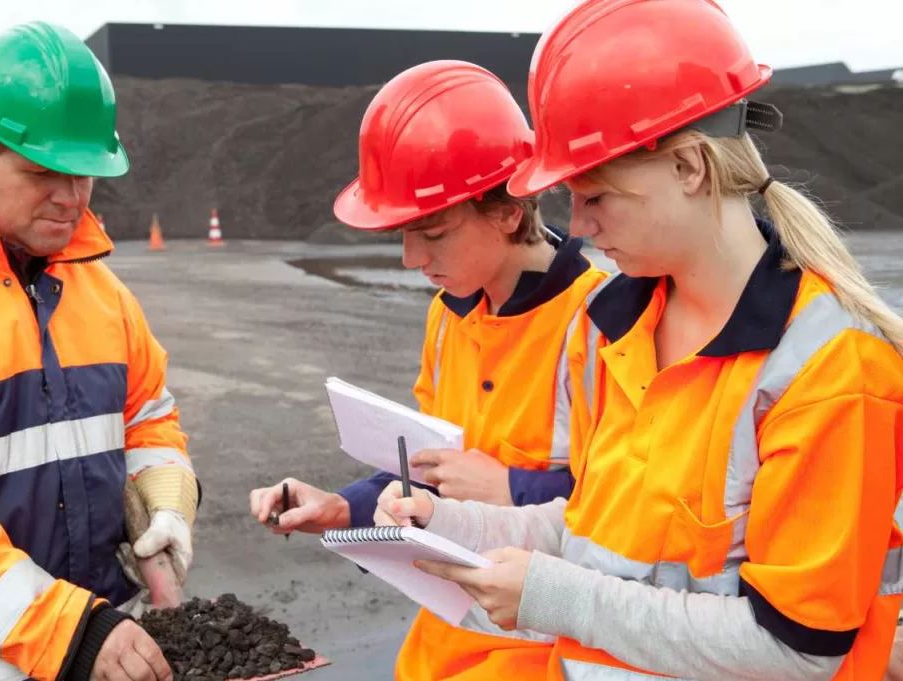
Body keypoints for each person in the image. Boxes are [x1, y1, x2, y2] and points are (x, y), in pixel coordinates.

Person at [375, 1, 903, 680]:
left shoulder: (831, 370)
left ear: (688, 168)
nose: (580, 227)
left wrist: (554, 595)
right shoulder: (610, 332)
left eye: (596, 197)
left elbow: (796, 646)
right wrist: (455, 525)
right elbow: (598, 535)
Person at [249, 59, 609, 676]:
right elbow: (428, 468)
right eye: (403, 235)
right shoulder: (447, 316)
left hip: (551, 652)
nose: (413, 258)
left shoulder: (603, 324)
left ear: (509, 210)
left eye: (433, 233)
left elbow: (635, 518)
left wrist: (510, 490)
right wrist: (342, 508)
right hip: (443, 643)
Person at [0, 21, 200, 681]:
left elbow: (147, 417)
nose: (70, 198)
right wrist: (66, 627)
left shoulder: (100, 288)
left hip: (107, 638)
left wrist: (165, 501)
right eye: (41, 172)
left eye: (84, 173)